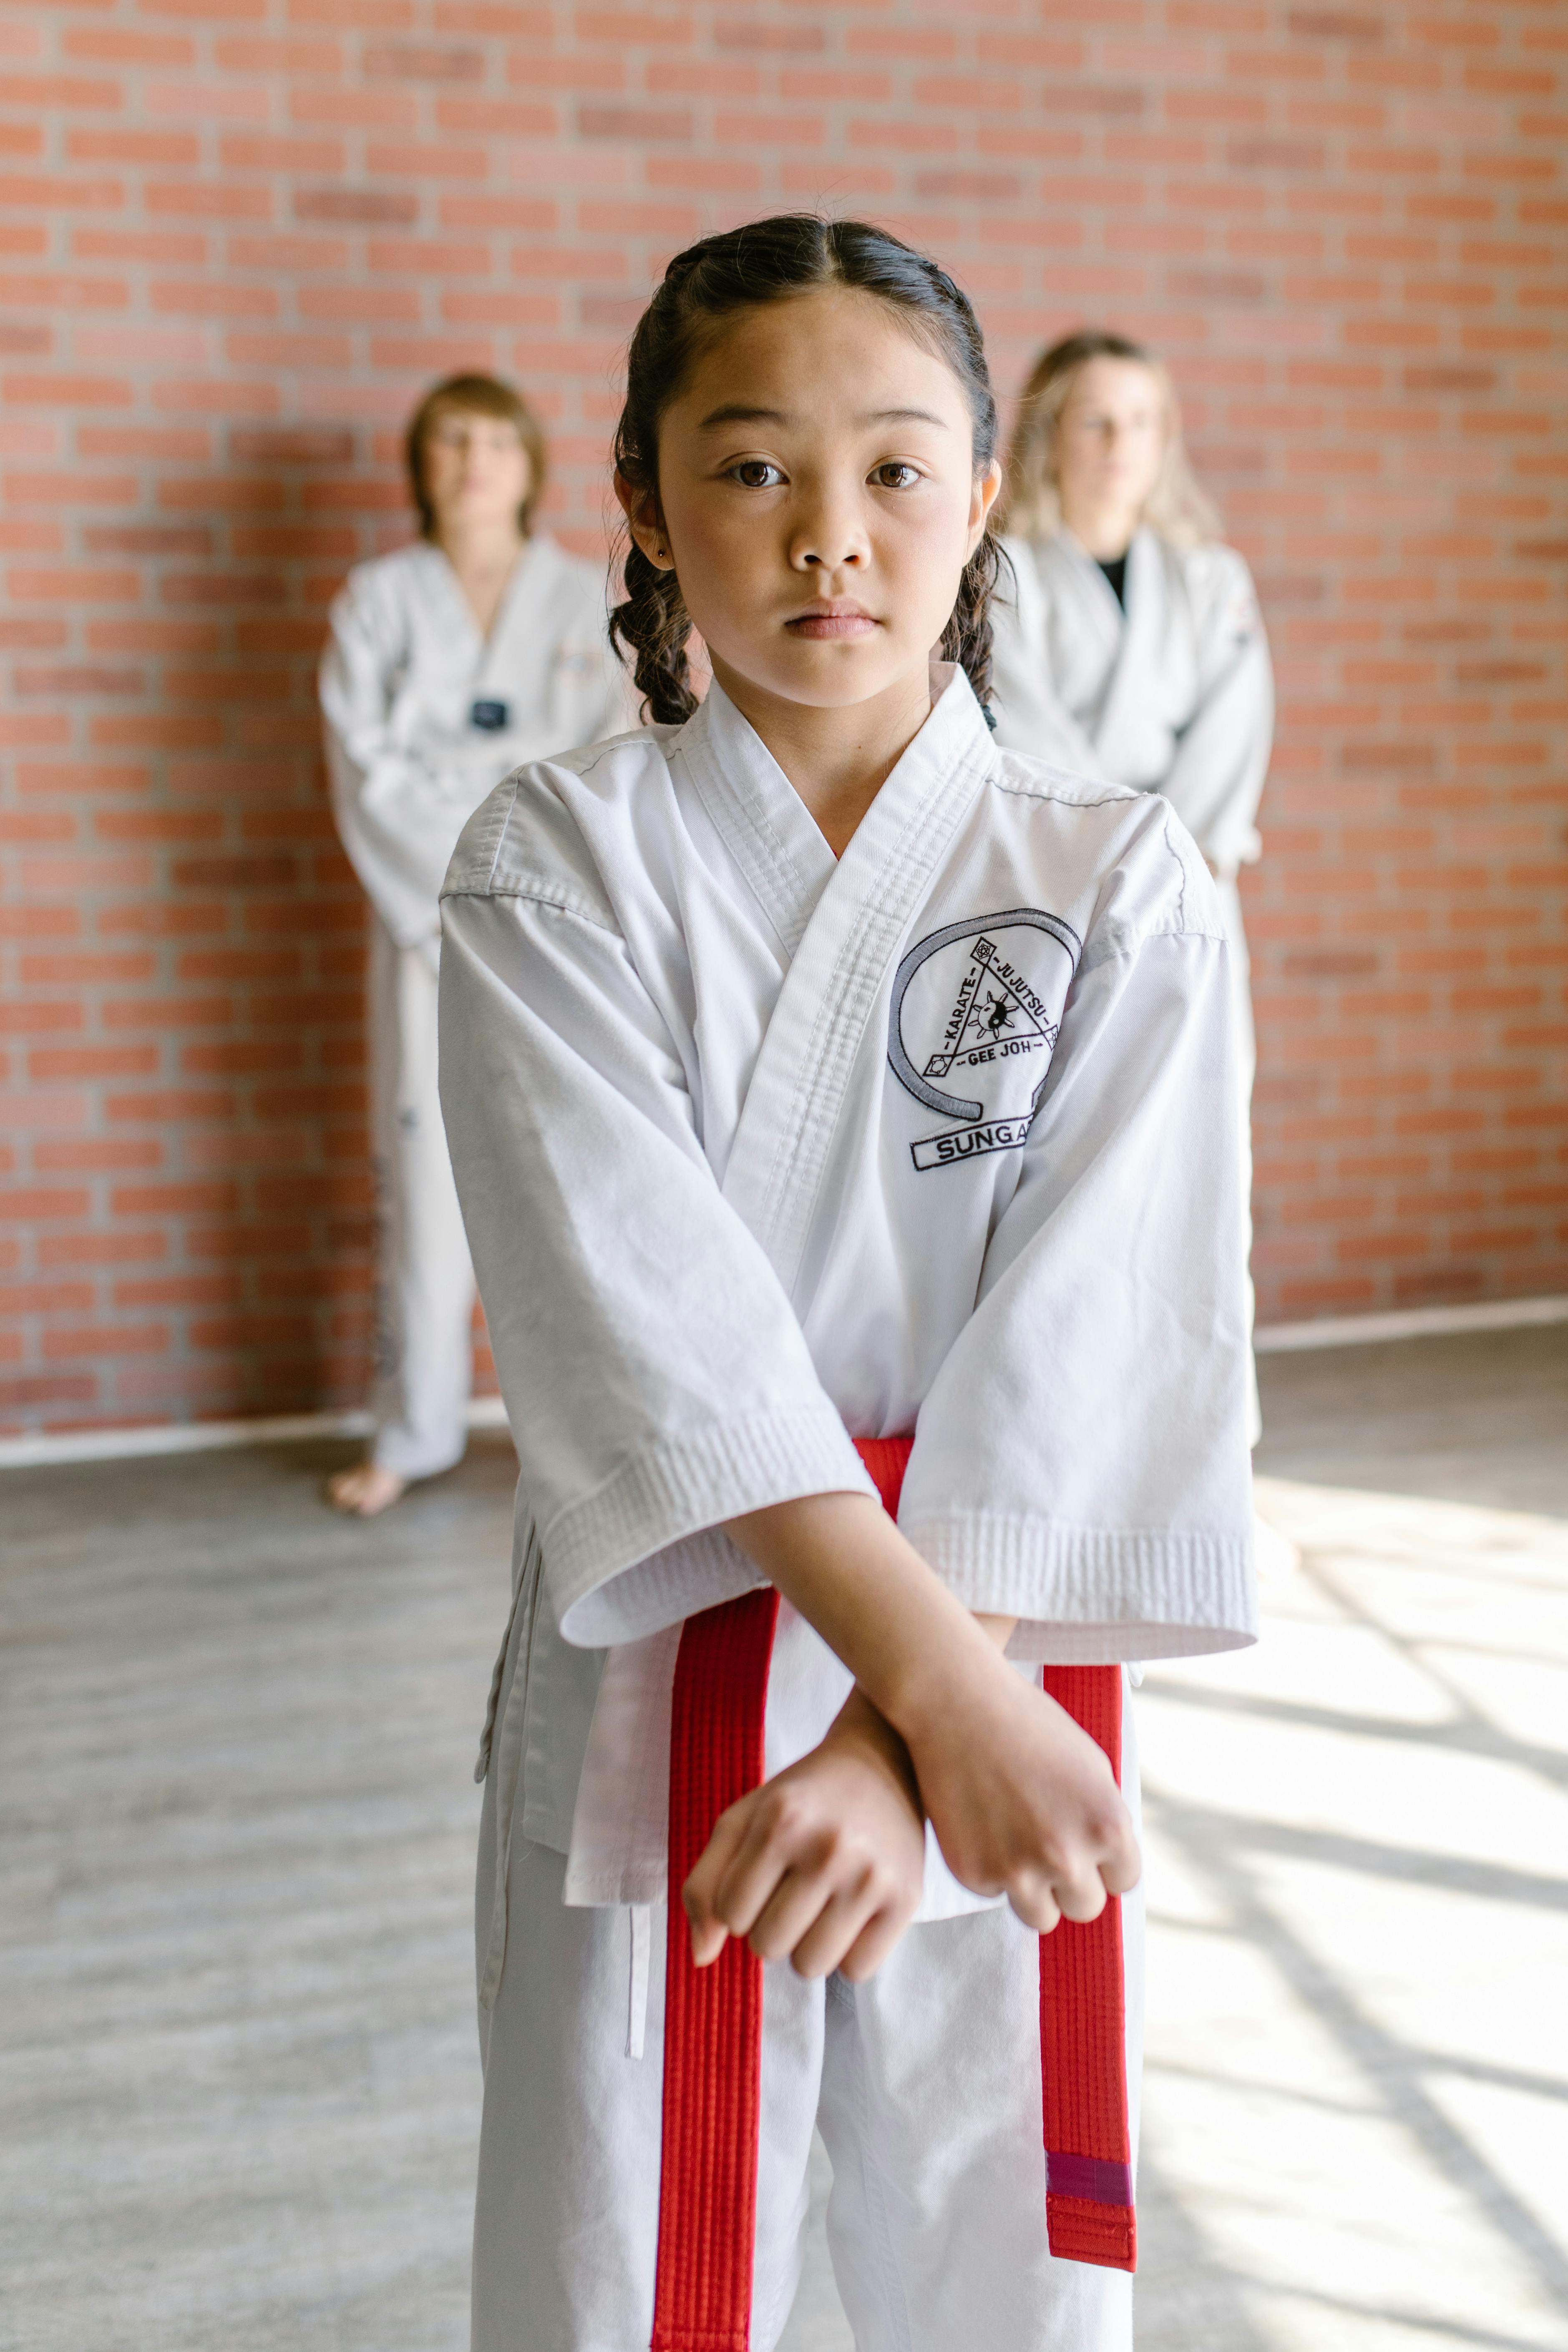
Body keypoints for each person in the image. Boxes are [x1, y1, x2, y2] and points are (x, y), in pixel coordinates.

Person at [438, 221, 1255, 2352]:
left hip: (1001, 1656)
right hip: (682, 1661)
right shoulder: (553, 865)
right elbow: (650, 1338)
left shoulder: (1114, 879)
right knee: (615, 2262)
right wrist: (951, 1703)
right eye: (750, 469)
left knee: (996, 2265)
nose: (830, 538)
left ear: (980, 498)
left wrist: (915, 1745)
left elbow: (1104, 1334)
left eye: (895, 471)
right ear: (639, 500)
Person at [319, 373, 632, 1515]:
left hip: (555, 924)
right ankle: (413, 1430)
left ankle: (591, 1440)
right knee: (423, 1169)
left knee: (578, 1168)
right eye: (449, 440)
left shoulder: (577, 599)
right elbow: (368, 774)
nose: (472, 462)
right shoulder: (376, 602)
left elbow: (599, 755)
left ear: (529, 462)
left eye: (495, 440)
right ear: (422, 462)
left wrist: (508, 850)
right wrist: (473, 858)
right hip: (425, 926)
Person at [988, 330, 1274, 1441]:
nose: (1119, 447)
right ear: (1049, 432)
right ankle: (1068, 1430)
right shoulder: (997, 573)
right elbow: (1034, 745)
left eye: (1142, 422)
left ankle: (1204, 1437)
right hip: (1064, 902)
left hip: (1195, 897)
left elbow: (1233, 739)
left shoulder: (1213, 579)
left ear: (1168, 442)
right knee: (1068, 1164)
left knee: (1209, 1157)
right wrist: (1127, 848)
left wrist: (1174, 854)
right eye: (1096, 420)